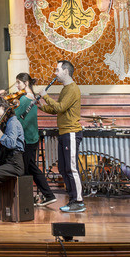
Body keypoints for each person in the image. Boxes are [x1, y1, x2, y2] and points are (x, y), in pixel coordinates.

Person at [38, 59, 86, 213]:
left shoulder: (72, 89)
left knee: (71, 168)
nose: (55, 73)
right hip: (64, 132)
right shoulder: (65, 89)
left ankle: (78, 201)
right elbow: (58, 110)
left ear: (66, 71)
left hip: (71, 132)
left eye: (57, 70)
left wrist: (45, 96)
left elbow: (60, 106)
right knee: (63, 168)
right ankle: (72, 199)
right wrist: (42, 107)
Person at [13, 72, 56, 208]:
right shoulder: (32, 98)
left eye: (18, 83)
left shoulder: (25, 100)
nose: (17, 86)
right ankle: (45, 196)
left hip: (26, 139)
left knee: (27, 169)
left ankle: (32, 198)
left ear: (26, 83)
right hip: (32, 138)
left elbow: (13, 117)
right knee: (30, 167)